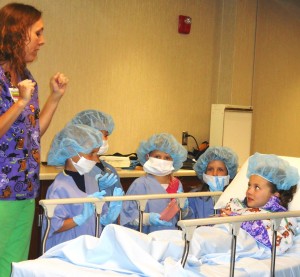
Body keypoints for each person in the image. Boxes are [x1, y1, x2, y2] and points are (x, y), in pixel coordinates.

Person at [0, 3, 68, 276]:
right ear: (17, 33)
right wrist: (20, 104)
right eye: (37, 33)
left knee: (13, 264)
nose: (43, 41)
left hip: (25, 188)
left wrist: (55, 96)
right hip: (1, 192)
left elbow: (32, 133)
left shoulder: (26, 78)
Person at [42, 124, 123, 251]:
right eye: (91, 154)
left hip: (89, 248)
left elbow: (99, 216)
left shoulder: (91, 180)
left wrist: (109, 217)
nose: (96, 160)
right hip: (66, 251)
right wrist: (79, 218)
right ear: (71, 151)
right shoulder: (59, 187)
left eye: (96, 154)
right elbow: (53, 226)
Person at [219, 153, 299, 254]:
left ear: (275, 194)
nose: (249, 191)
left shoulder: (281, 218)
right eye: (249, 186)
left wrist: (241, 222)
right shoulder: (236, 206)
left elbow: (279, 245)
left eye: (257, 187)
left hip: (231, 243)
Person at [120, 133, 188, 233]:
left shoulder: (177, 184)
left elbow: (182, 218)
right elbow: (126, 217)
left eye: (167, 158)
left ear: (174, 160)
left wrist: (184, 209)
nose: (162, 161)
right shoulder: (140, 184)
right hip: (147, 240)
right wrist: (147, 219)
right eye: (157, 156)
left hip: (172, 238)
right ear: (147, 157)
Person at [67, 109, 122, 196]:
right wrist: (95, 187)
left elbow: (121, 202)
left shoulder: (110, 169)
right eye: (101, 135)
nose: (105, 139)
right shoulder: (80, 167)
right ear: (85, 135)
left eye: (106, 135)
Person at [189, 146, 238, 218]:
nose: (215, 174)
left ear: (229, 173)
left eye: (220, 169)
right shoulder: (194, 197)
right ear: (204, 172)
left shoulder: (235, 197)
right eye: (210, 169)